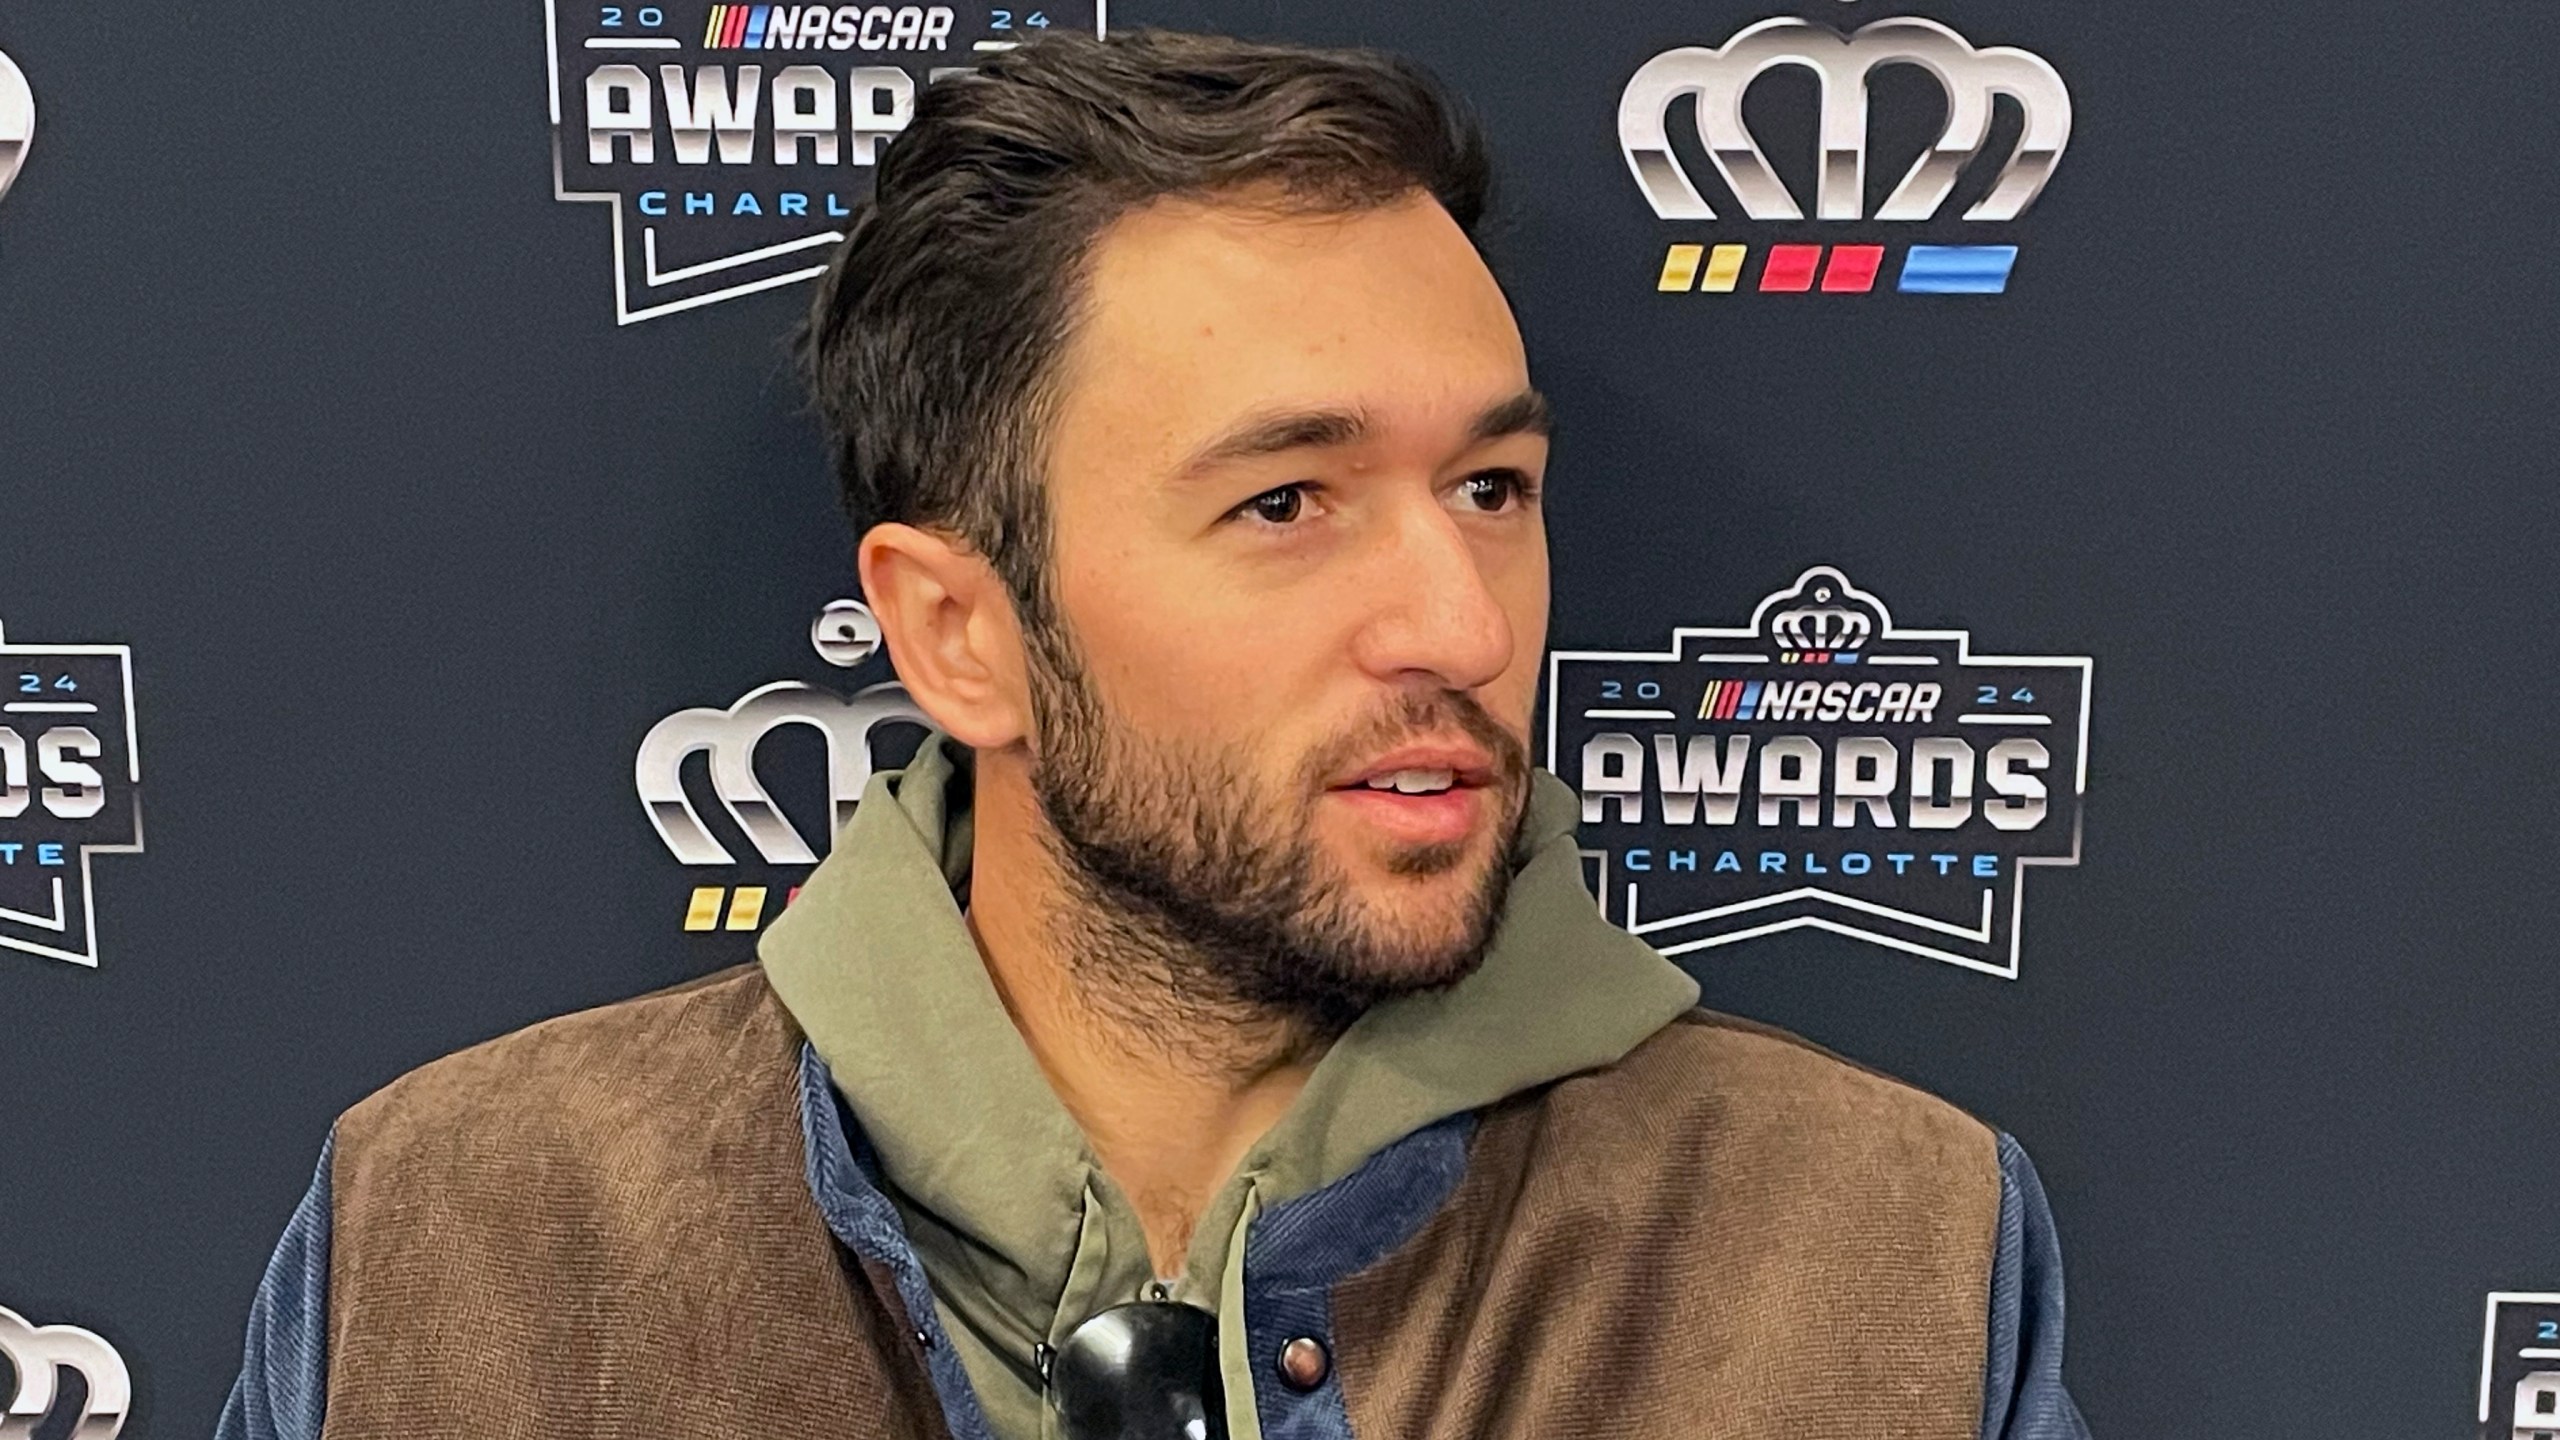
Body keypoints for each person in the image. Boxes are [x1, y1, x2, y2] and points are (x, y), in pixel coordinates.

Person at [217, 27, 2089, 1440]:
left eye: (1494, 488)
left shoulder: (1890, 1249)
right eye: (1288, 504)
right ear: (959, 634)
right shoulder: (456, 1237)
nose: (1460, 625)